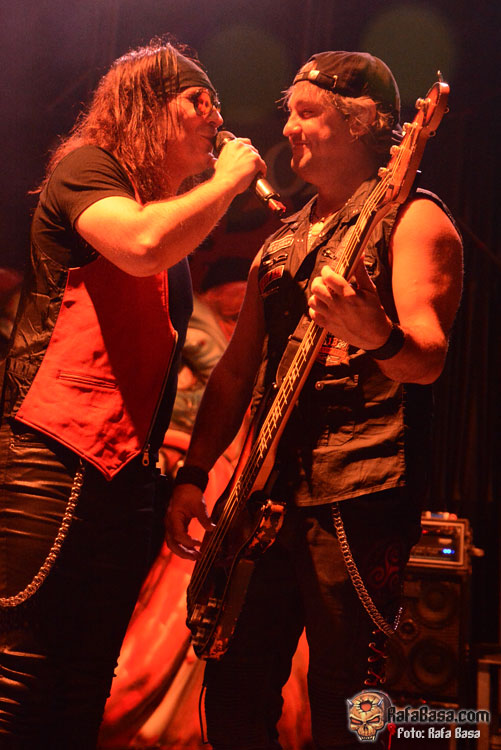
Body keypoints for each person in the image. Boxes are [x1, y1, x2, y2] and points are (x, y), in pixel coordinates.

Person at [166, 51, 463, 750]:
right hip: (267, 496)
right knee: (233, 693)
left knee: (349, 701)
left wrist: (376, 334)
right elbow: (234, 375)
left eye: (307, 113)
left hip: (363, 488)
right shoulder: (280, 243)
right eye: (289, 112)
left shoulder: (416, 220)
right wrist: (192, 474)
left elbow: (427, 359)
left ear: (359, 124)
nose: (287, 129)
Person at [0, 38, 265, 749]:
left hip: (125, 478)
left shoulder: (165, 215)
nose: (217, 119)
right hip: (53, 460)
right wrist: (229, 181)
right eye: (199, 101)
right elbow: (141, 245)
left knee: (87, 679)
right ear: (148, 107)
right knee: (22, 678)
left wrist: (183, 479)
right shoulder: (88, 170)